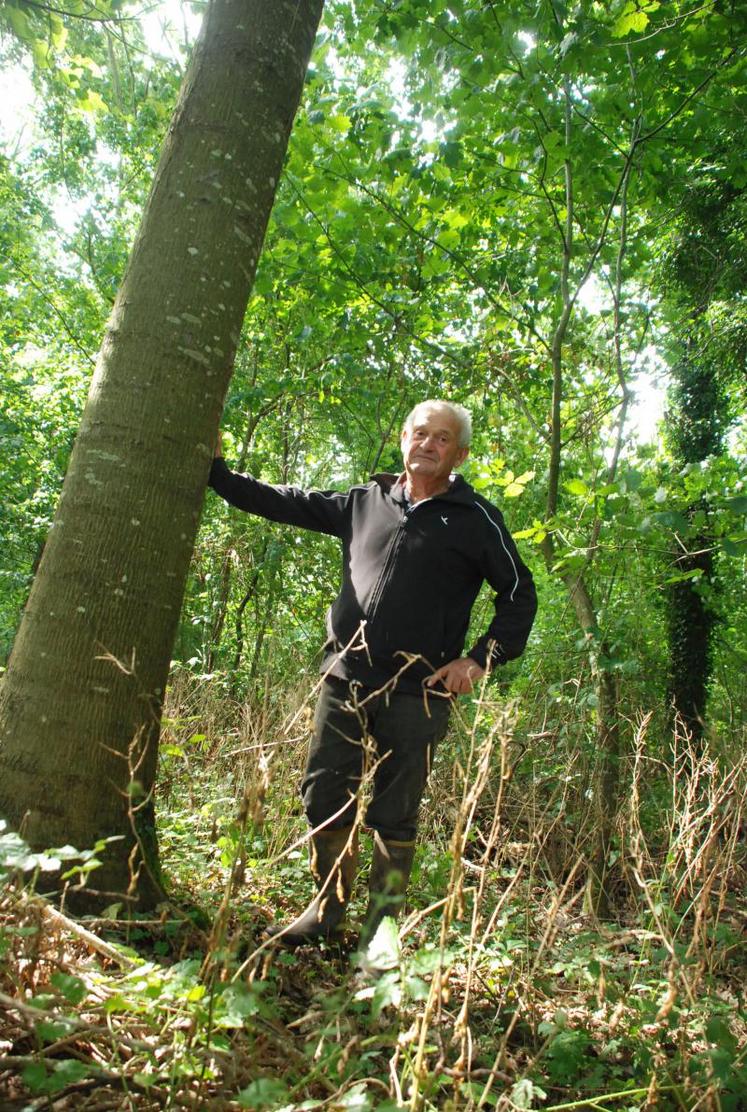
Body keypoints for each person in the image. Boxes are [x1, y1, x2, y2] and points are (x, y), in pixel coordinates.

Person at [208, 400, 537, 946]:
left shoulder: (477, 521)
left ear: (459, 453)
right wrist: (218, 473)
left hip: (420, 692)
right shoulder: (365, 502)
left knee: (395, 812)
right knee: (322, 795)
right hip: (345, 677)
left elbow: (520, 596)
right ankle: (326, 910)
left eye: (442, 438)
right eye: (420, 434)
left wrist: (480, 658)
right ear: (403, 439)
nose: (428, 445)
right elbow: (285, 501)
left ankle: (380, 932)